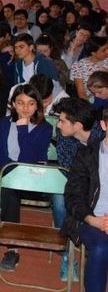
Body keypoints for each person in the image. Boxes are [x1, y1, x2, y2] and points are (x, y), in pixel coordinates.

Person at [0, 83, 53, 271]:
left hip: (33, 179)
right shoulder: (3, 123)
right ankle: (12, 249)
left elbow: (29, 160)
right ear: (13, 105)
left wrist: (22, 130)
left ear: (37, 106)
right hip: (6, 177)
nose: (25, 108)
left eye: (31, 103)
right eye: (20, 103)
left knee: (7, 184)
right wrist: (10, 171)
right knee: (8, 188)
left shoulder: (44, 128)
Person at [53, 98, 103, 281]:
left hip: (99, 189)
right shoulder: (64, 139)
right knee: (59, 198)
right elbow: (69, 169)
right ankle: (69, 254)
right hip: (76, 185)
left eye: (62, 121)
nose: (58, 125)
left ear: (78, 125)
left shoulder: (103, 138)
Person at [63, 106, 108, 292]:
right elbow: (73, 196)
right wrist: (92, 220)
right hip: (91, 219)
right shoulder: (87, 154)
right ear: (104, 125)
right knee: (100, 248)